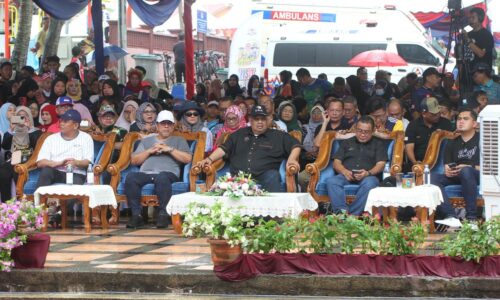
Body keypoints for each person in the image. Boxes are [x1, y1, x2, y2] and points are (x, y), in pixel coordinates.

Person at [196, 105, 301, 193]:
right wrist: (209, 159)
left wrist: (292, 159)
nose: (260, 122)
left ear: (268, 120)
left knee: (272, 176)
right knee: (223, 181)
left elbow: (296, 145)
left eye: (263, 119)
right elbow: (224, 149)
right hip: (238, 176)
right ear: (250, 120)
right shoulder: (239, 134)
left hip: (265, 175)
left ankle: (273, 215)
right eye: (256, 119)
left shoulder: (278, 136)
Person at [125, 110, 192, 228]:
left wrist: (169, 149)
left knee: (162, 177)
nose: (166, 126)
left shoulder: (179, 140)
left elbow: (187, 158)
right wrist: (149, 151)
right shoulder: (147, 141)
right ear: (157, 125)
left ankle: (163, 214)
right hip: (146, 173)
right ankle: (136, 215)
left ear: (173, 126)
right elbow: (134, 160)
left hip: (168, 174)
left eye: (169, 124)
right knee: (131, 177)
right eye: (163, 123)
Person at [326, 116, 387, 215]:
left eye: (366, 132)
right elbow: (336, 162)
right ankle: (341, 214)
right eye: (360, 131)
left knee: (370, 184)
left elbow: (381, 164)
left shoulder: (378, 144)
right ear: (355, 129)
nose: (362, 134)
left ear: (373, 131)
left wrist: (368, 173)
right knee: (332, 181)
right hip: (346, 175)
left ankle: (352, 216)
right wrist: (344, 171)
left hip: (368, 176)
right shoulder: (347, 142)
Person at [432, 108, 480, 228]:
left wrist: (470, 166)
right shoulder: (452, 142)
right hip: (457, 175)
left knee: (466, 171)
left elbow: (490, 167)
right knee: (431, 178)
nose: (461, 121)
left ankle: (471, 219)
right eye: (459, 119)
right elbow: (447, 165)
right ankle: (451, 216)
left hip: (477, 175)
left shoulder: (482, 139)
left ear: (474, 123)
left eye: (465, 119)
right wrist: (448, 170)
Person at [36, 110, 93, 188]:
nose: (61, 124)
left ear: (75, 125)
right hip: (56, 172)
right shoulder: (51, 138)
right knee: (46, 171)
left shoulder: (86, 138)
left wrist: (76, 162)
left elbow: (88, 162)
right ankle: (39, 200)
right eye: (61, 121)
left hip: (76, 173)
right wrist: (58, 163)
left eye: (65, 121)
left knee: (74, 190)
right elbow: (40, 162)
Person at [0, 106, 42, 201]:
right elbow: (5, 146)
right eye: (19, 116)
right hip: (14, 159)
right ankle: (6, 203)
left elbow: (35, 146)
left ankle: (21, 202)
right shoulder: (12, 131)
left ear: (30, 117)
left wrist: (29, 129)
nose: (22, 119)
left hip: (29, 159)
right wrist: (11, 130)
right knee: (2, 172)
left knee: (18, 173)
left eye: (25, 116)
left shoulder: (36, 131)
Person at [405, 97, 453, 167]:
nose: (437, 116)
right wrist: (414, 162)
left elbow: (451, 144)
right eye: (433, 114)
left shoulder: (446, 123)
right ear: (424, 113)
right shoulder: (413, 125)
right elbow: (409, 146)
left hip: (441, 163)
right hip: (420, 163)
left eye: (438, 113)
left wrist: (442, 135)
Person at [462, 7, 494, 73]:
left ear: (480, 19)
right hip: (465, 75)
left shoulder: (486, 35)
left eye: (473, 17)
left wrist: (467, 39)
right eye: (469, 18)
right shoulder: (468, 33)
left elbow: (481, 53)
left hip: (480, 76)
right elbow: (463, 57)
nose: (470, 20)